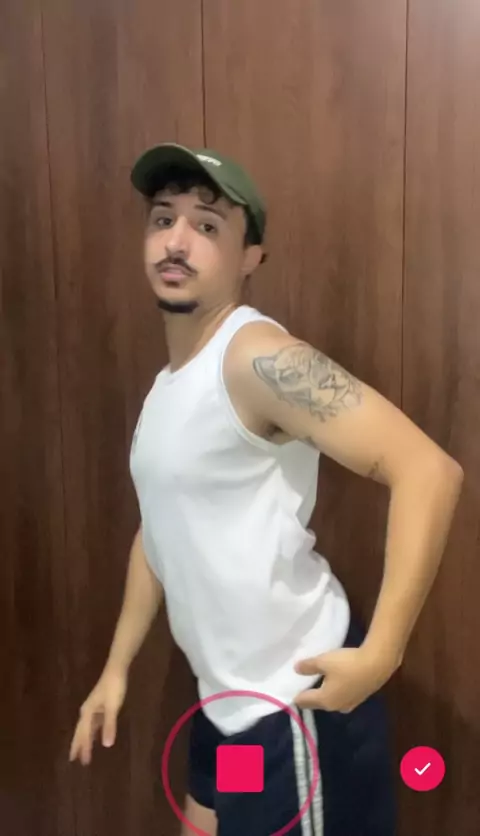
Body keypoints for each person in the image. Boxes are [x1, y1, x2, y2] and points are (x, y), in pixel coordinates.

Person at [69, 143, 464, 835]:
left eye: (207, 225)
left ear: (251, 256)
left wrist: (383, 653)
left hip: (293, 712)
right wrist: (117, 668)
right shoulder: (166, 389)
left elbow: (428, 471)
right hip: (224, 708)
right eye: (163, 219)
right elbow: (159, 531)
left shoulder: (257, 358)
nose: (177, 241)